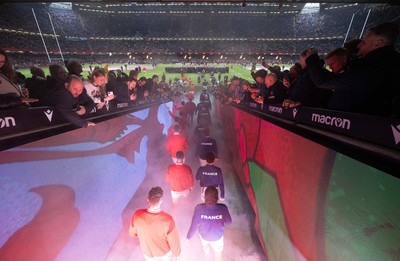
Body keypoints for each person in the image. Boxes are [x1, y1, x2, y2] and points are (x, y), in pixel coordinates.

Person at [129, 186, 181, 261]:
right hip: (164, 255)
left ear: (148, 199)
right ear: (161, 201)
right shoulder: (168, 220)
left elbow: (132, 233)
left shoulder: (137, 215)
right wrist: (177, 255)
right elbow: (174, 243)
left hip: (148, 254)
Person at [186, 186, 232, 261]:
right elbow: (229, 223)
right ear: (217, 197)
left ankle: (207, 257)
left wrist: (188, 237)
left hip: (204, 236)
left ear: (204, 196)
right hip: (217, 237)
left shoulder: (199, 208)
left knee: (205, 247)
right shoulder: (223, 208)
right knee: (218, 255)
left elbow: (194, 225)